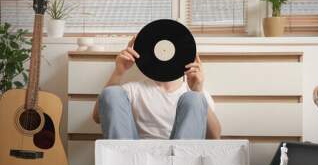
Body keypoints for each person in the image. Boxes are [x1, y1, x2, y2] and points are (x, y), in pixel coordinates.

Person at [92, 36, 221, 140]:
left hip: (178, 162)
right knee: (111, 93)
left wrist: (197, 91)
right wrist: (119, 72)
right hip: (135, 160)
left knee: (194, 99)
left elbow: (215, 136)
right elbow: (97, 117)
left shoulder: (196, 95)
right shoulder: (134, 90)